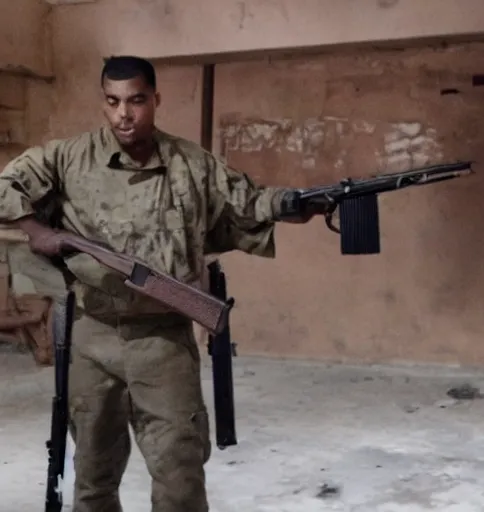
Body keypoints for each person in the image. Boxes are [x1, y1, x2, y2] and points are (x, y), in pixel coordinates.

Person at [0, 56, 322, 512]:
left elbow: (248, 201)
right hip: (92, 337)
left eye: (135, 101)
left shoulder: (191, 164)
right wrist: (37, 231)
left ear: (155, 99)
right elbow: (6, 184)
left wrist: (294, 203)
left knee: (179, 476)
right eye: (112, 102)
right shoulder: (67, 157)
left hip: (163, 340)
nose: (123, 115)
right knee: (92, 475)